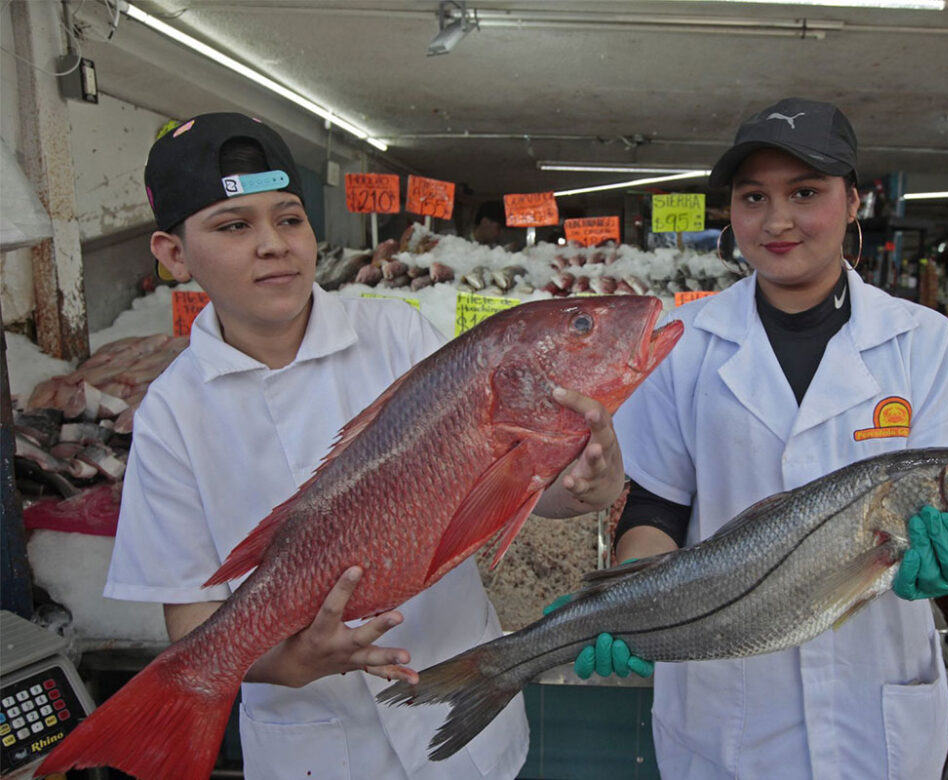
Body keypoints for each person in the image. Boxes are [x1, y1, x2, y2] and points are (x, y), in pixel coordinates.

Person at [103, 112, 626, 779]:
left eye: (289, 218)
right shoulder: (172, 414)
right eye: (234, 226)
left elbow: (504, 486)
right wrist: (288, 665)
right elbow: (193, 624)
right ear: (173, 254)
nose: (273, 244)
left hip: (462, 725)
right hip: (317, 750)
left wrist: (584, 487)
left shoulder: (396, 334)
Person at [571, 97, 948, 778]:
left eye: (805, 192)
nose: (776, 221)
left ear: (854, 201)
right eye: (753, 197)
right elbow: (658, 507)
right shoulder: (684, 344)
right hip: (728, 692)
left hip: (876, 693)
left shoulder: (924, 344)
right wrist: (633, 592)